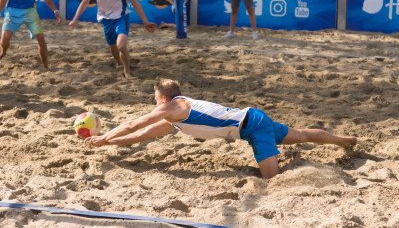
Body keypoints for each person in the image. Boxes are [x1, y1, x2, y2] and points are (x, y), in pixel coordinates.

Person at [85, 78, 357, 179]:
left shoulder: (173, 107)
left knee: (273, 180)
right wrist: (105, 143)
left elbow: (133, 123)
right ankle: (344, 141)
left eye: (155, 99)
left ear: (164, 99)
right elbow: (140, 135)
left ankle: (297, 162)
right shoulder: (175, 117)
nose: (153, 104)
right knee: (302, 134)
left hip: (252, 127)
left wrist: (102, 136)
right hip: (253, 119)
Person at [69, 0, 156, 79]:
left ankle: (127, 71)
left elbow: (135, 3)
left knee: (120, 45)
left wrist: (145, 21)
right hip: (106, 19)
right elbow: (85, 2)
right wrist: (75, 19)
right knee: (113, 48)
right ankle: (119, 62)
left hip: (121, 17)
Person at [0, 0, 62, 68]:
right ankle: (3, 52)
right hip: (13, 10)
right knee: (5, 38)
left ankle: (46, 66)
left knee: (41, 38)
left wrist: (55, 11)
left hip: (30, 11)